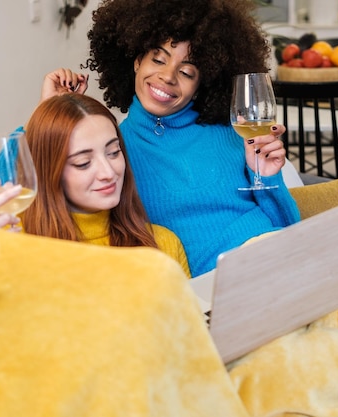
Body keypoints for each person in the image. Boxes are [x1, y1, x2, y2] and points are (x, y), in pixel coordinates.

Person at [37, 0, 301, 277]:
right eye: (158, 59)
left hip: (277, 261)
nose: (167, 76)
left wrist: (269, 178)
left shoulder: (234, 132)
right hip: (219, 287)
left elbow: (291, 232)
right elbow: (21, 196)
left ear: (203, 82)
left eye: (187, 72)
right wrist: (45, 114)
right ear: (137, 60)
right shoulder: (112, 147)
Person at [0, 93, 191, 277]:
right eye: (83, 163)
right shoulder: (16, 240)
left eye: (114, 152)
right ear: (51, 172)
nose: (108, 172)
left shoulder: (163, 246)